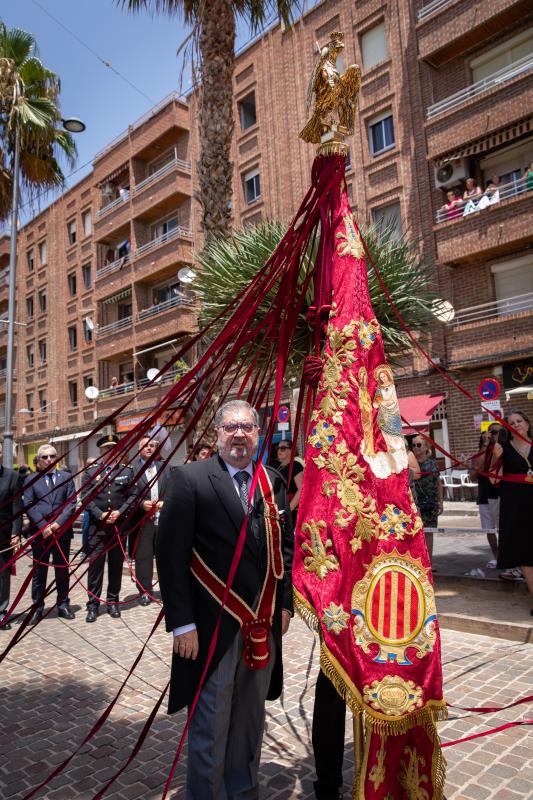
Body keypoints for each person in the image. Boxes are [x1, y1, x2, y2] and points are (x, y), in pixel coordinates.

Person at [156, 399, 293, 800]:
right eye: (230, 427)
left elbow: (284, 549)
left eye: (247, 427)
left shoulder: (273, 482)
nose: (238, 434)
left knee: (250, 722)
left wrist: (284, 604)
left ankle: (243, 790)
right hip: (211, 626)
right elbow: (171, 555)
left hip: (262, 625)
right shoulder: (189, 478)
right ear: (217, 433)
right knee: (211, 724)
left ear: (258, 433)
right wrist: (182, 623)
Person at [83, 434, 138, 623]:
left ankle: (113, 601)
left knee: (115, 565)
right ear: (100, 451)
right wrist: (100, 514)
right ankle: (93, 605)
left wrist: (120, 512)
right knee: (95, 567)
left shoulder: (127, 471)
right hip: (97, 528)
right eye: (106, 449)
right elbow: (86, 498)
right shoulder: (91, 473)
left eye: (113, 448)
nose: (110, 452)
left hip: (118, 527)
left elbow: (133, 496)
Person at [23, 444, 77, 624]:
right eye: (44, 457)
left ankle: (63, 605)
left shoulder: (67, 477)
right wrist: (42, 526)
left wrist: (57, 524)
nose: (49, 460)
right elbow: (30, 505)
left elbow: (71, 503)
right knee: (40, 572)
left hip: (61, 532)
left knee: (62, 570)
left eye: (52, 456)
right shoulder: (31, 479)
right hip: (41, 534)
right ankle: (37, 608)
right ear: (38, 461)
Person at [491, 410, 533, 608]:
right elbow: (492, 478)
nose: (516, 425)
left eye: (519, 421)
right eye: (512, 422)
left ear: (527, 422)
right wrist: (495, 457)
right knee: (524, 551)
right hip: (515, 504)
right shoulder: (504, 448)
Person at [128, 435, 170, 605]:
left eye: (152, 445)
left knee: (166, 557)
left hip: (163, 520)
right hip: (142, 521)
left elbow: (174, 489)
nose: (149, 448)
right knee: (143, 557)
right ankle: (144, 591)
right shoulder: (131, 470)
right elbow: (127, 496)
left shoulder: (165, 468)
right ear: (140, 449)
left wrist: (165, 502)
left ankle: (168, 589)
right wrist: (141, 504)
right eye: (146, 446)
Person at [0, 440, 23, 631]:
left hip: (3, 536)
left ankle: (1, 613)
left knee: (3, 576)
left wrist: (16, 532)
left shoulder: (12, 477)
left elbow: (17, 507)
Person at [469, 424, 500, 566]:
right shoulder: (481, 452)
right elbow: (473, 476)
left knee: (503, 527)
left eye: (496, 432)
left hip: (500, 495)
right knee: (489, 528)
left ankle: (508, 558)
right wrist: (485, 446)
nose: (493, 435)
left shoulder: (503, 449)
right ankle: (497, 557)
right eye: (491, 432)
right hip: (484, 494)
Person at [412, 435, 443, 563]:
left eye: (419, 445)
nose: (416, 448)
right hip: (416, 503)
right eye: (413, 445)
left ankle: (429, 562)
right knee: (416, 533)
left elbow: (438, 483)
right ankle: (419, 562)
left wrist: (441, 502)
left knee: (429, 533)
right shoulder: (411, 464)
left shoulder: (432, 463)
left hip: (431, 502)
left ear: (426, 447)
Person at [275, 438, 304, 527]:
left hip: (291, 512)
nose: (279, 450)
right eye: (278, 448)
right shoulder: (277, 466)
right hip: (279, 509)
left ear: (291, 451)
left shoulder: (296, 465)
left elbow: (301, 489)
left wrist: (288, 510)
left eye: (283, 448)